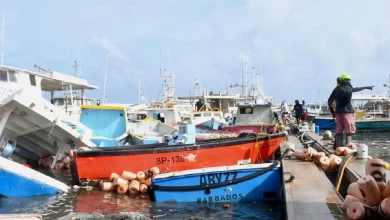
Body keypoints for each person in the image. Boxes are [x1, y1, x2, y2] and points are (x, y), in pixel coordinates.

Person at [328, 73, 355, 149]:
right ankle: (348, 148)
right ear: (348, 80)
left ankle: (337, 148)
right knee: (349, 130)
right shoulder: (349, 88)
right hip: (347, 111)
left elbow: (329, 101)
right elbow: (347, 100)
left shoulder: (336, 89)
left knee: (339, 130)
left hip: (338, 112)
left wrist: (333, 111)